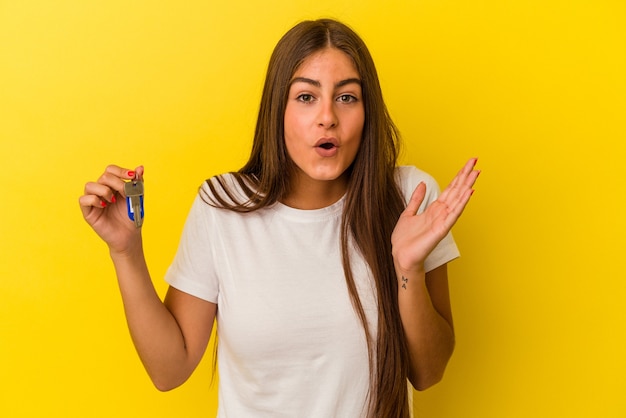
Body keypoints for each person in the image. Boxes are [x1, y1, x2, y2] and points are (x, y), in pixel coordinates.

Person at [79, 18, 479, 418]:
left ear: (367, 111)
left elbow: (428, 371)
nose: (328, 118)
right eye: (306, 97)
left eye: (347, 98)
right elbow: (170, 369)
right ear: (278, 109)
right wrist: (126, 252)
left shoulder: (410, 197)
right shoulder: (222, 206)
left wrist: (407, 269)